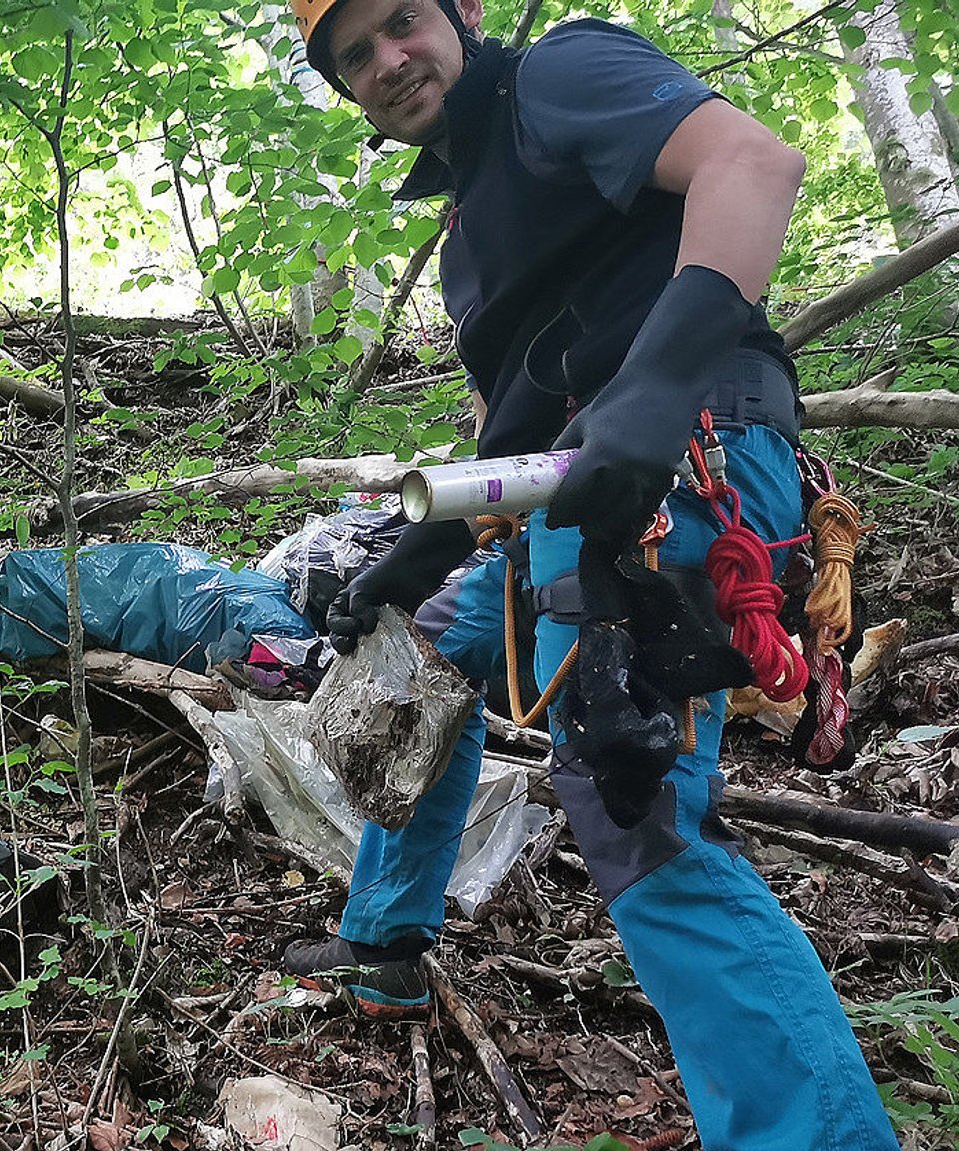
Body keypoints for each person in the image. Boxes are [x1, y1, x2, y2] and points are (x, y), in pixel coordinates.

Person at [273, 1, 902, 1147]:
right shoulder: (472, 219)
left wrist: (653, 394)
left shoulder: (555, 73)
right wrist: (399, 570)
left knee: (636, 803)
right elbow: (509, 429)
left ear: (458, 16)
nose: (386, 60)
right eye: (352, 55)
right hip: (568, 481)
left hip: (680, 457)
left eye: (400, 22)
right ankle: (386, 942)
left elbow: (750, 161)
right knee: (434, 658)